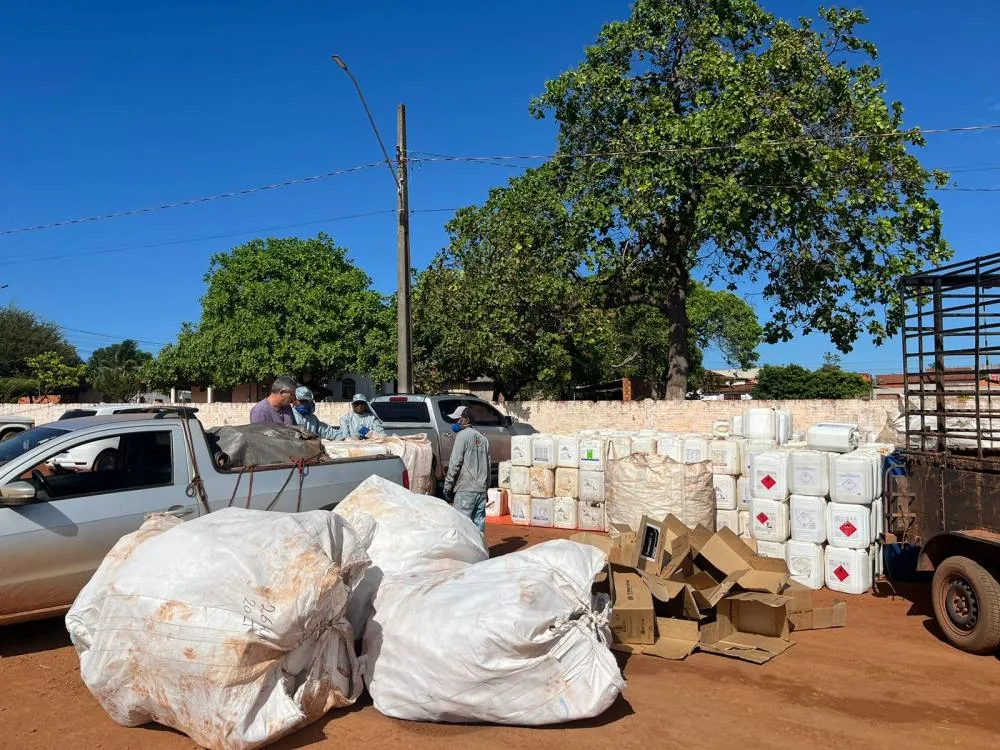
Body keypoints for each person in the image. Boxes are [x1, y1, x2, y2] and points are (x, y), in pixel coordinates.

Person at [442, 405, 491, 532]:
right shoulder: (483, 439)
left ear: (465, 420)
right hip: (480, 490)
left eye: (457, 419)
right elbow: (488, 466)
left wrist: (448, 485)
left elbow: (455, 462)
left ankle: (465, 552)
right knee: (478, 528)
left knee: (462, 527)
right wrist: (485, 489)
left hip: (466, 489)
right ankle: (480, 551)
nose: (454, 423)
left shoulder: (462, 436)